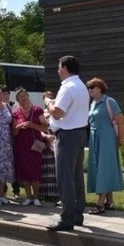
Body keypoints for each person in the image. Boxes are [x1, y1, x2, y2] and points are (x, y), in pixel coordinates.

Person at [45, 56, 90, 231]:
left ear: (64, 68)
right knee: (76, 177)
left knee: (65, 178)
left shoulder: (68, 87)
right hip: (79, 133)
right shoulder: (81, 86)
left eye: (58, 67)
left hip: (67, 135)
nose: (57, 70)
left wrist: (49, 102)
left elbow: (57, 113)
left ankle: (67, 218)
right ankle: (77, 214)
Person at [86, 78, 124, 214]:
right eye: (89, 88)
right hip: (95, 138)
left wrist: (120, 139)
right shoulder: (93, 103)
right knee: (100, 167)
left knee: (104, 166)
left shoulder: (109, 101)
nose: (90, 90)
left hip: (107, 138)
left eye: (93, 87)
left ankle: (100, 203)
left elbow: (121, 120)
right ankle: (109, 201)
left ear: (100, 88)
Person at [12, 87, 48, 207]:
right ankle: (28, 196)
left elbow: (45, 127)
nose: (23, 98)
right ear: (17, 100)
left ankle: (36, 197)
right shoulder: (16, 113)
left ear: (28, 96)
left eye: (25, 95)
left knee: (35, 170)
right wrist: (18, 127)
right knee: (24, 171)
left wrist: (32, 125)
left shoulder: (37, 110)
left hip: (34, 145)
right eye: (20, 97)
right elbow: (13, 133)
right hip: (21, 146)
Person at [39, 91, 60, 202]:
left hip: (56, 141)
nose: (49, 100)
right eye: (47, 98)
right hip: (45, 142)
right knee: (45, 169)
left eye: (51, 97)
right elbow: (38, 129)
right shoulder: (41, 113)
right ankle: (44, 193)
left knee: (55, 168)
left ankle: (55, 194)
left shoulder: (58, 112)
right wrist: (45, 136)